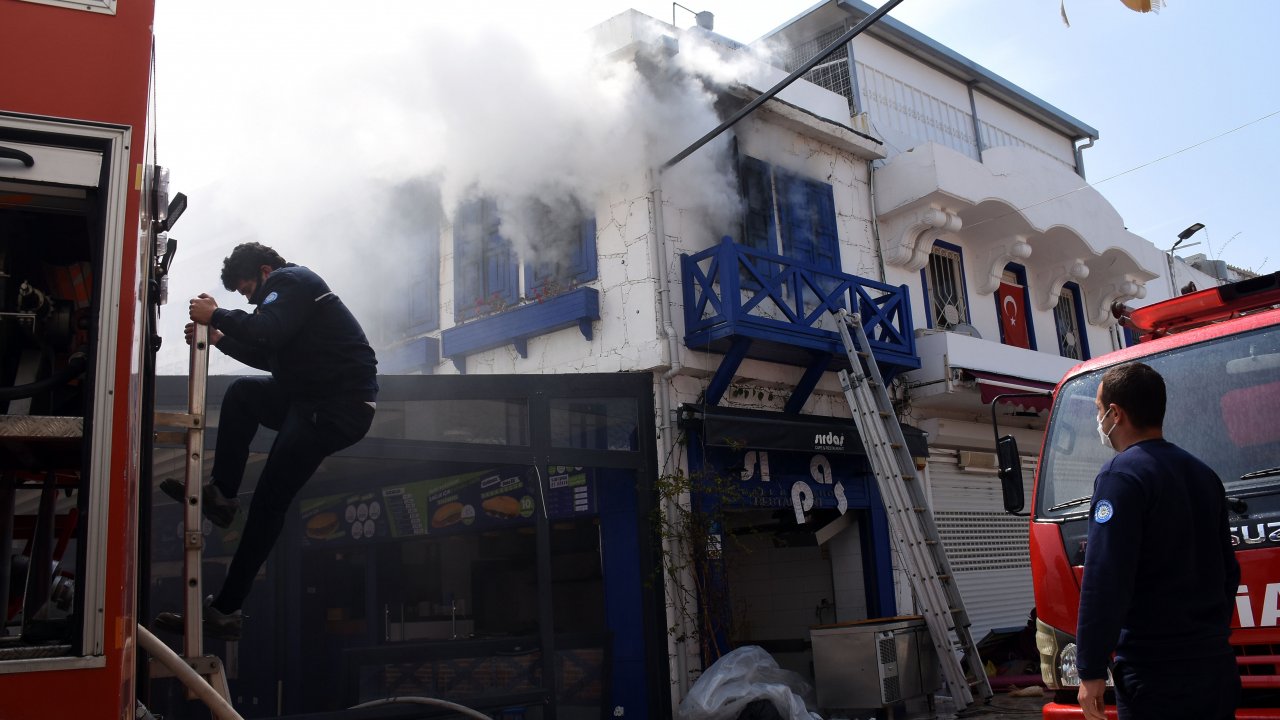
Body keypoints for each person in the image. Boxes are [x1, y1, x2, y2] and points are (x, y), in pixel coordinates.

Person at [154, 242, 378, 640]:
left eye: (247, 292)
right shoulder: (286, 301)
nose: (249, 300)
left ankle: (225, 610)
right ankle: (221, 496)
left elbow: (265, 330)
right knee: (243, 394)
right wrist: (220, 337)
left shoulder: (291, 280)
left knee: (268, 503)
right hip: (309, 397)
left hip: (335, 408)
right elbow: (266, 351)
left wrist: (216, 313)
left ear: (264, 271)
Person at [1075, 362, 1239, 720]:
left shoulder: (1120, 476)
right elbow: (1229, 572)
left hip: (1155, 673)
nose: (1099, 419)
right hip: (1214, 666)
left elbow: (1105, 580)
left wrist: (1089, 669)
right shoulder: (1203, 474)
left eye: (1099, 410)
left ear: (1115, 414)